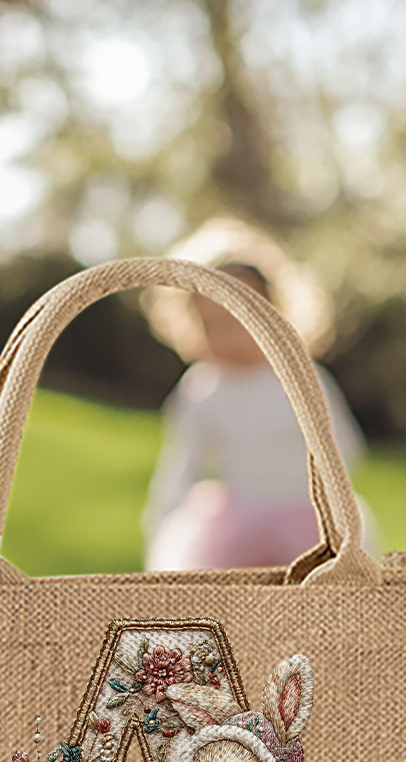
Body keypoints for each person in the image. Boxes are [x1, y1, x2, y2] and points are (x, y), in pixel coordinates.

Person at [140, 218, 370, 570]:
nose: (226, 338)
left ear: (274, 313)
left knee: (316, 588)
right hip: (234, 523)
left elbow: (345, 450)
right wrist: (163, 521)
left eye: (236, 323)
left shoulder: (302, 378)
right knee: (221, 587)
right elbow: (182, 464)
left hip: (305, 519)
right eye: (211, 325)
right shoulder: (202, 389)